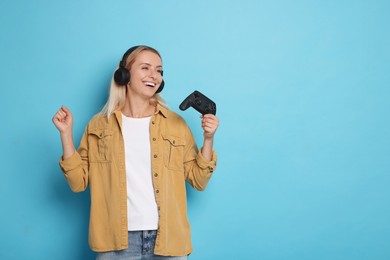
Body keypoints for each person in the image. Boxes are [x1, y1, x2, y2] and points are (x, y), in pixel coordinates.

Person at [52, 45, 219, 259]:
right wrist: (66, 135)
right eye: (145, 68)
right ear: (124, 75)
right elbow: (77, 183)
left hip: (169, 240)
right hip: (115, 243)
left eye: (159, 70)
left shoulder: (176, 124)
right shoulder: (99, 126)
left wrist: (208, 139)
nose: (154, 75)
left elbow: (199, 180)